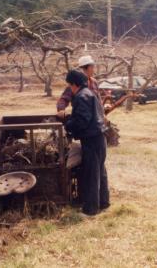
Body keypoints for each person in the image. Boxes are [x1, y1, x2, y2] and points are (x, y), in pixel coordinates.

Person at [63, 70, 110, 216]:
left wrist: (68, 125)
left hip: (91, 139)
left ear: (74, 84)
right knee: (100, 171)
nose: (70, 89)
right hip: (99, 137)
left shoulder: (81, 97)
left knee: (91, 173)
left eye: (70, 85)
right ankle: (103, 202)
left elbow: (82, 121)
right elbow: (87, 115)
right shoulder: (90, 93)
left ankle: (90, 210)